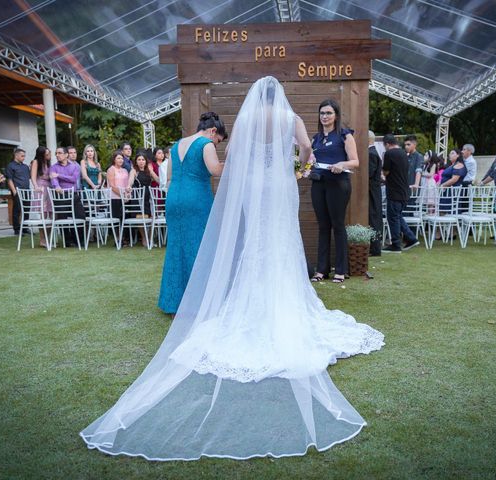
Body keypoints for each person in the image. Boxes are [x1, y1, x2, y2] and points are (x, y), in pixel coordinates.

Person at [80, 76, 384, 461]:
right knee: (281, 242)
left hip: (255, 187)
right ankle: (282, 300)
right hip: (279, 186)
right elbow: (308, 150)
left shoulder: (246, 119)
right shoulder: (290, 117)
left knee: (256, 242)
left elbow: (236, 155)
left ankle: (250, 301)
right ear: (281, 95)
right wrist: (299, 170)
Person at [157, 112, 228, 314]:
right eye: (218, 141)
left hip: (174, 199)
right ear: (213, 131)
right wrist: (236, 161)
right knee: (199, 246)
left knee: (176, 248)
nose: (216, 145)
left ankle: (173, 302)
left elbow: (169, 178)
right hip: (196, 198)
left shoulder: (176, 145)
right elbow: (215, 169)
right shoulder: (205, 144)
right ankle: (199, 302)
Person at [309, 99, 359, 283]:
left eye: (328, 113)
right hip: (318, 184)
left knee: (338, 225)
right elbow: (309, 160)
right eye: (322, 113)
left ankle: (340, 270)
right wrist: (306, 167)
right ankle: (321, 270)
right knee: (323, 226)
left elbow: (355, 161)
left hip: (338, 184)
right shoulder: (316, 138)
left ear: (336, 115)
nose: (325, 116)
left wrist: (341, 164)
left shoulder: (345, 136)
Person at [382, 134, 420, 253]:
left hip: (394, 191)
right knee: (397, 216)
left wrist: (383, 175)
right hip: (404, 190)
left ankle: (396, 244)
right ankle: (411, 238)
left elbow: (386, 171)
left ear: (387, 144)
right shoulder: (404, 153)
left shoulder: (389, 153)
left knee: (392, 217)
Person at [50, 146, 86, 246]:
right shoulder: (53, 167)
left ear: (66, 155)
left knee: (81, 216)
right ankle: (68, 241)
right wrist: (56, 186)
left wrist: (59, 175)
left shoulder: (74, 166)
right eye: (56, 153)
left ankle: (79, 240)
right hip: (60, 196)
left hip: (73, 195)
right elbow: (53, 179)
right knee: (62, 218)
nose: (57, 155)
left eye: (59, 153)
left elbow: (74, 179)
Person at [132, 152, 157, 247]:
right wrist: (128, 186)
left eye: (143, 160)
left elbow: (158, 181)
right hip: (138, 198)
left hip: (149, 198)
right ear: (136, 162)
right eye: (139, 160)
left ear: (146, 161)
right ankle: (144, 238)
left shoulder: (148, 171)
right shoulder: (134, 171)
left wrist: (152, 171)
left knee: (151, 218)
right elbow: (130, 181)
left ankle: (150, 238)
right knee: (140, 218)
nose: (141, 162)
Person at [5, 148, 30, 236]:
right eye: (22, 156)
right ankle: (17, 229)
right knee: (17, 210)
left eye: (24, 156)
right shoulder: (10, 166)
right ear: (16, 155)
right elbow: (9, 179)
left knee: (27, 210)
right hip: (17, 191)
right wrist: (14, 191)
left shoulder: (26, 167)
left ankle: (25, 228)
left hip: (27, 191)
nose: (24, 158)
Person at [30, 146, 52, 247]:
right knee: (42, 214)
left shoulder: (48, 163)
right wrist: (36, 187)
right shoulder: (36, 162)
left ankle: (49, 238)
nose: (48, 156)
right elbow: (33, 177)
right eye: (46, 154)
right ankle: (42, 239)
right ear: (41, 154)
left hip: (49, 188)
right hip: (41, 189)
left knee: (51, 214)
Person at [368, 131, 383, 256]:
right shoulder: (373, 152)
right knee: (374, 217)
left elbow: (368, 173)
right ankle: (374, 246)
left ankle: (375, 248)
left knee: (373, 217)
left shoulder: (371, 154)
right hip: (374, 189)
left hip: (372, 190)